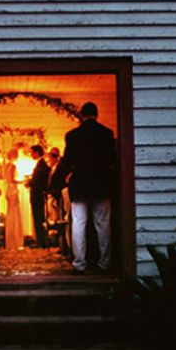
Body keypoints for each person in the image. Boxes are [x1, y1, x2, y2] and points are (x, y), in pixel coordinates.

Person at [62, 102, 116, 273]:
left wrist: (65, 175)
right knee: (103, 224)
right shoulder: (107, 134)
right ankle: (105, 263)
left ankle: (79, 263)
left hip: (80, 185)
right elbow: (111, 159)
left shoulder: (72, 135)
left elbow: (67, 161)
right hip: (101, 183)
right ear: (96, 114)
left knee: (78, 225)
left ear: (82, 115)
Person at [26, 145, 50, 248]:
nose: (31, 154)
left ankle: (41, 242)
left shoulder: (41, 165)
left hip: (38, 195)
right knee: (38, 218)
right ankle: (40, 241)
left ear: (37, 152)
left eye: (32, 152)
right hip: (37, 195)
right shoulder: (40, 164)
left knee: (39, 218)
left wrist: (29, 182)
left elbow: (38, 181)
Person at [4, 148, 24, 249]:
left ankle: (10, 241)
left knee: (11, 213)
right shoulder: (12, 166)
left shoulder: (6, 165)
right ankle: (15, 241)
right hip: (13, 190)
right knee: (14, 213)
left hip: (8, 189)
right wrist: (23, 180)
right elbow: (12, 180)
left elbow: (8, 180)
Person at [46, 147, 69, 223]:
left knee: (60, 213)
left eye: (49, 161)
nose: (47, 163)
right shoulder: (51, 169)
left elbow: (61, 181)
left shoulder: (60, 168)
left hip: (58, 193)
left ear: (54, 159)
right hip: (52, 194)